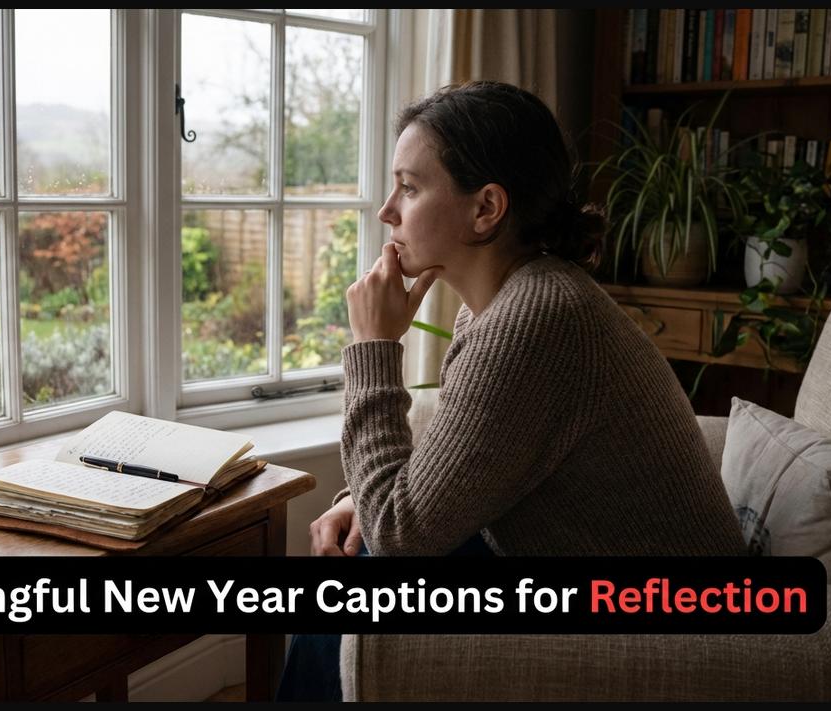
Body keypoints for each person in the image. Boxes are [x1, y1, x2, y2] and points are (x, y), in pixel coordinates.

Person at [278, 80, 744, 701]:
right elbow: (457, 462)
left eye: (410, 188)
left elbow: (400, 537)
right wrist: (360, 501)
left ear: (485, 209)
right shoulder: (505, 302)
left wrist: (373, 350)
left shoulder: (535, 320)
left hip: (681, 625)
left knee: (360, 577)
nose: (388, 210)